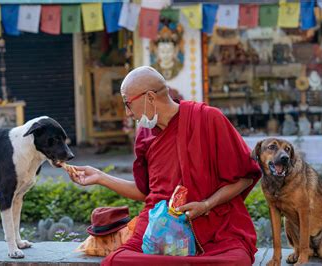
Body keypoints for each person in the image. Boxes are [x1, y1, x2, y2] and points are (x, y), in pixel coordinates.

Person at [68, 66, 262, 265]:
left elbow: (245, 177)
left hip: (214, 227)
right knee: (117, 262)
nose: (127, 113)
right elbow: (147, 192)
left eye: (128, 103)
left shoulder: (208, 119)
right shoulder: (144, 135)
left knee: (236, 260)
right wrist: (100, 177)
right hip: (158, 228)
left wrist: (206, 205)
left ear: (150, 97)